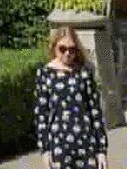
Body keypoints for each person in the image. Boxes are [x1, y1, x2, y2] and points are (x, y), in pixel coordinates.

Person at [34, 24, 108, 169]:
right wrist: (45, 150)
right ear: (54, 47)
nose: (67, 53)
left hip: (86, 145)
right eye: (62, 49)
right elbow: (41, 115)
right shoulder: (45, 74)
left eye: (72, 49)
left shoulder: (84, 73)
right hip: (59, 147)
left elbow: (95, 112)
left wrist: (101, 150)